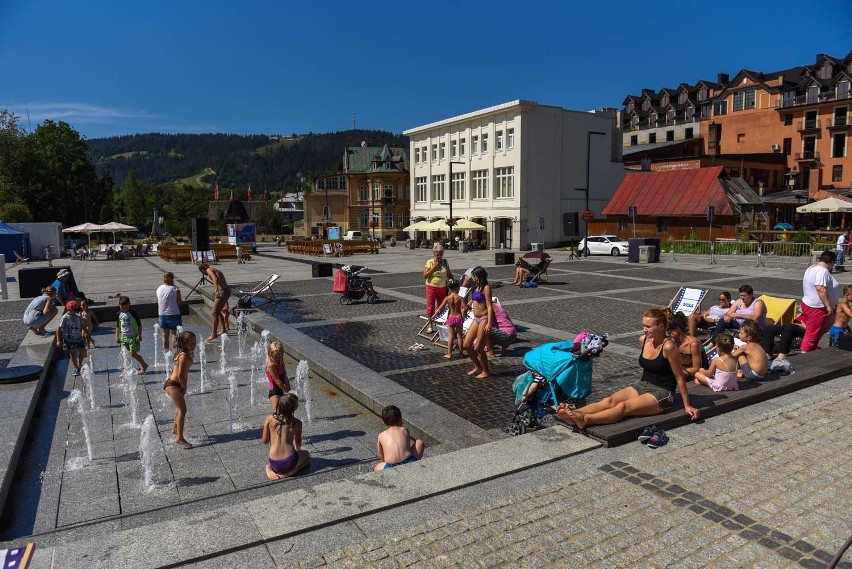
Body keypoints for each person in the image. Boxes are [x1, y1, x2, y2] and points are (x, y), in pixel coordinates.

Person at [556, 308, 699, 428]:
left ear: (661, 327)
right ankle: (576, 413)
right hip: (643, 385)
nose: (644, 330)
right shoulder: (643, 340)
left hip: (663, 392)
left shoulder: (668, 346)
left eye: (648, 326)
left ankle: (585, 420)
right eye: (644, 325)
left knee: (623, 407)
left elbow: (679, 377)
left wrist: (687, 405)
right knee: (608, 401)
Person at [262, 393, 310, 479]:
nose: (298, 404)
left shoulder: (269, 418)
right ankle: (292, 471)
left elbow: (264, 440)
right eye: (297, 404)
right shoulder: (297, 423)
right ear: (293, 408)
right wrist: (298, 453)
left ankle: (269, 468)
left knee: (273, 464)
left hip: (273, 461)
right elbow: (298, 444)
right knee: (306, 455)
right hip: (290, 462)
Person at [800, 250, 841, 352]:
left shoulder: (812, 267)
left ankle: (808, 348)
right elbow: (820, 289)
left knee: (814, 331)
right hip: (817, 307)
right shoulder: (822, 271)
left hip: (809, 303)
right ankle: (806, 355)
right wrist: (828, 305)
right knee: (812, 334)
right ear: (831, 262)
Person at [163, 331, 197, 449]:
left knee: (179, 407)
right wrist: (184, 386)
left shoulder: (187, 353)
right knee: (182, 409)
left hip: (176, 384)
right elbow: (181, 375)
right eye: (190, 343)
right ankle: (179, 438)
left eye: (194, 342)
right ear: (183, 343)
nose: (193, 345)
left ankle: (175, 429)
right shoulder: (183, 356)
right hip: (173, 385)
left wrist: (183, 385)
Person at [373, 405, 424, 471]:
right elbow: (407, 448)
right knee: (419, 442)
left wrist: (384, 462)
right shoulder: (404, 430)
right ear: (401, 420)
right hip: (409, 462)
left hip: (390, 467)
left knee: (377, 468)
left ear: (383, 422)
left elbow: (381, 454)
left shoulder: (381, 435)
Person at [464, 267, 493, 380]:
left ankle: (486, 371)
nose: (473, 278)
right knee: (467, 344)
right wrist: (465, 307)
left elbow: (490, 306)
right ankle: (478, 366)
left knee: (479, 347)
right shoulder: (476, 287)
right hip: (475, 318)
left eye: (474, 276)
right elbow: (474, 300)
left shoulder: (486, 288)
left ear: (479, 276)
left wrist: (489, 323)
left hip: (484, 318)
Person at [431, 278, 466, 360]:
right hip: (458, 318)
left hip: (450, 318)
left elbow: (440, 308)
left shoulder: (447, 298)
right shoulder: (460, 298)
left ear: (449, 288)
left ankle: (449, 354)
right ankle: (461, 353)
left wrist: (433, 317)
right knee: (460, 336)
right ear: (458, 288)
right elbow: (465, 307)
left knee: (450, 337)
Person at [423, 243, 453, 333]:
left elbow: (449, 274)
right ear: (434, 254)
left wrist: (453, 281)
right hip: (431, 287)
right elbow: (425, 276)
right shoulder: (430, 262)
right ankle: (430, 324)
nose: (439, 256)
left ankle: (439, 323)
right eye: (437, 254)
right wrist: (433, 268)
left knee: (441, 306)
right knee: (430, 306)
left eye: (441, 254)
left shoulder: (445, 262)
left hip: (442, 287)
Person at [115, 295, 149, 375]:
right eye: (122, 307)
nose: (124, 309)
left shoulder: (133, 313)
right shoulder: (118, 314)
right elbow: (117, 326)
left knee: (133, 354)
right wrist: (116, 336)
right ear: (119, 305)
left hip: (133, 337)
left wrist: (139, 335)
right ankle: (125, 371)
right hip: (123, 337)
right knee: (124, 354)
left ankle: (144, 365)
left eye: (126, 307)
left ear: (129, 305)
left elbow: (139, 325)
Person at [666, 312, 704, 381]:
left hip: (692, 372)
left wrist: (676, 371)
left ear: (677, 329)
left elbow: (697, 368)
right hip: (679, 369)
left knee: (671, 376)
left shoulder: (693, 344)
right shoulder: (673, 341)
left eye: (669, 331)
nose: (668, 334)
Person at [198, 263, 230, 342]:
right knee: (218, 312)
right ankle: (223, 330)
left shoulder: (209, 270)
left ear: (203, 269)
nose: (204, 274)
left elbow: (214, 278)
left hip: (222, 291)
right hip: (226, 290)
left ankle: (214, 333)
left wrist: (216, 290)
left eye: (203, 273)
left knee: (214, 312)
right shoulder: (214, 269)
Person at [56, 300, 89, 377]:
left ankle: (80, 364)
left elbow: (83, 326)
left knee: (83, 350)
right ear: (69, 309)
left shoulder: (78, 316)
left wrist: (88, 335)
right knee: (72, 354)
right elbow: (58, 329)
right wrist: (58, 340)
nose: (75, 311)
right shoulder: (65, 318)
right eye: (74, 310)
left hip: (79, 337)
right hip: (69, 339)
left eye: (76, 309)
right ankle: (77, 368)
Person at [156, 272, 183, 350]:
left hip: (162, 314)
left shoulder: (159, 288)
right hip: (174, 314)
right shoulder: (175, 289)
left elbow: (158, 301)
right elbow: (179, 302)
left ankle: (166, 353)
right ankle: (175, 353)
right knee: (175, 333)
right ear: (172, 279)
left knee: (165, 334)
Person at [266, 341, 291, 411]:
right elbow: (277, 380)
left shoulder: (280, 361)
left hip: (281, 389)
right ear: (269, 354)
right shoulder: (271, 365)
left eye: (279, 356)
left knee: (284, 412)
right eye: (275, 356)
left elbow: (284, 375)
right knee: (277, 413)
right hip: (275, 392)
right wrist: (287, 391)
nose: (277, 358)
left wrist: (289, 388)